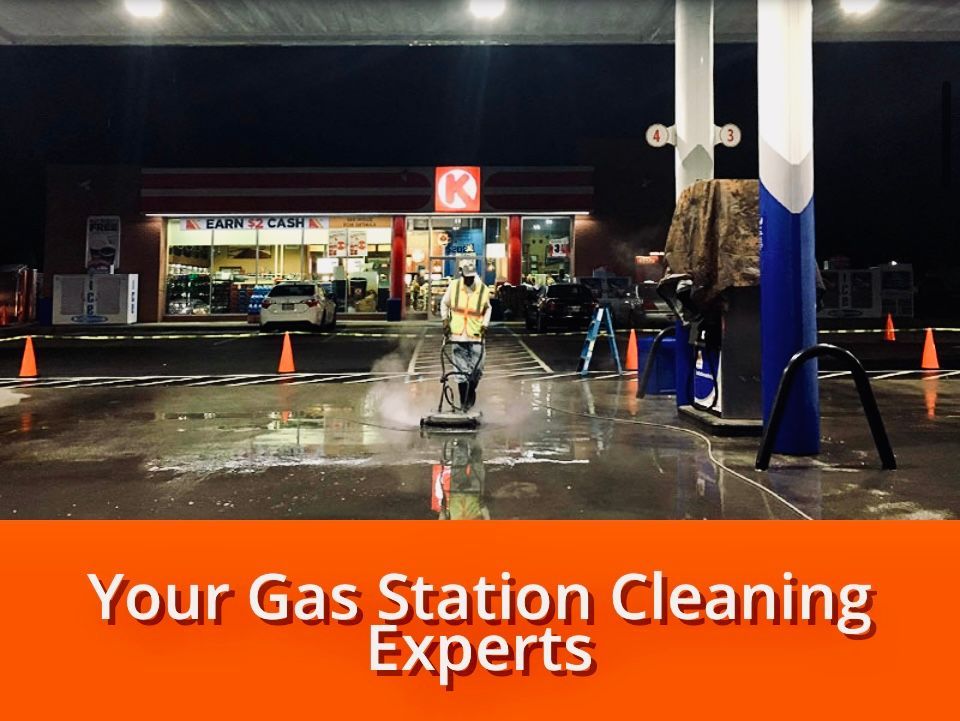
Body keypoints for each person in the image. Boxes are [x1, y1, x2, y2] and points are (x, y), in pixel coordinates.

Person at [440, 257, 492, 412]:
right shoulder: (454, 287)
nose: (469, 280)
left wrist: (485, 325)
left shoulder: (482, 289)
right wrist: (445, 321)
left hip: (476, 334)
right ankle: (464, 404)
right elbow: (444, 303)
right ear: (461, 274)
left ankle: (471, 393)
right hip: (457, 334)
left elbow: (488, 308)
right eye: (466, 277)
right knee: (461, 371)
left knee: (478, 369)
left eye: (471, 277)